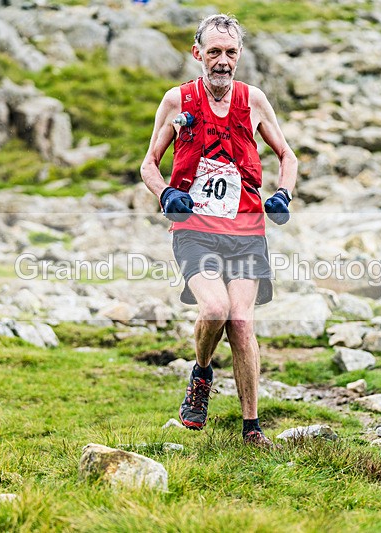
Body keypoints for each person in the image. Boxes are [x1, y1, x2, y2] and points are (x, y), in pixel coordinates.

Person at [140, 14, 298, 446]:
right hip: (194, 229)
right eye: (214, 52)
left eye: (230, 52)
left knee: (242, 323)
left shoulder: (255, 101)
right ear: (198, 54)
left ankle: (252, 428)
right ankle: (203, 374)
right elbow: (149, 164)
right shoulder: (178, 100)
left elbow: (288, 156)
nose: (222, 61)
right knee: (215, 310)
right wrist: (165, 194)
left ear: (240, 55)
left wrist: (284, 194)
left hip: (246, 230)